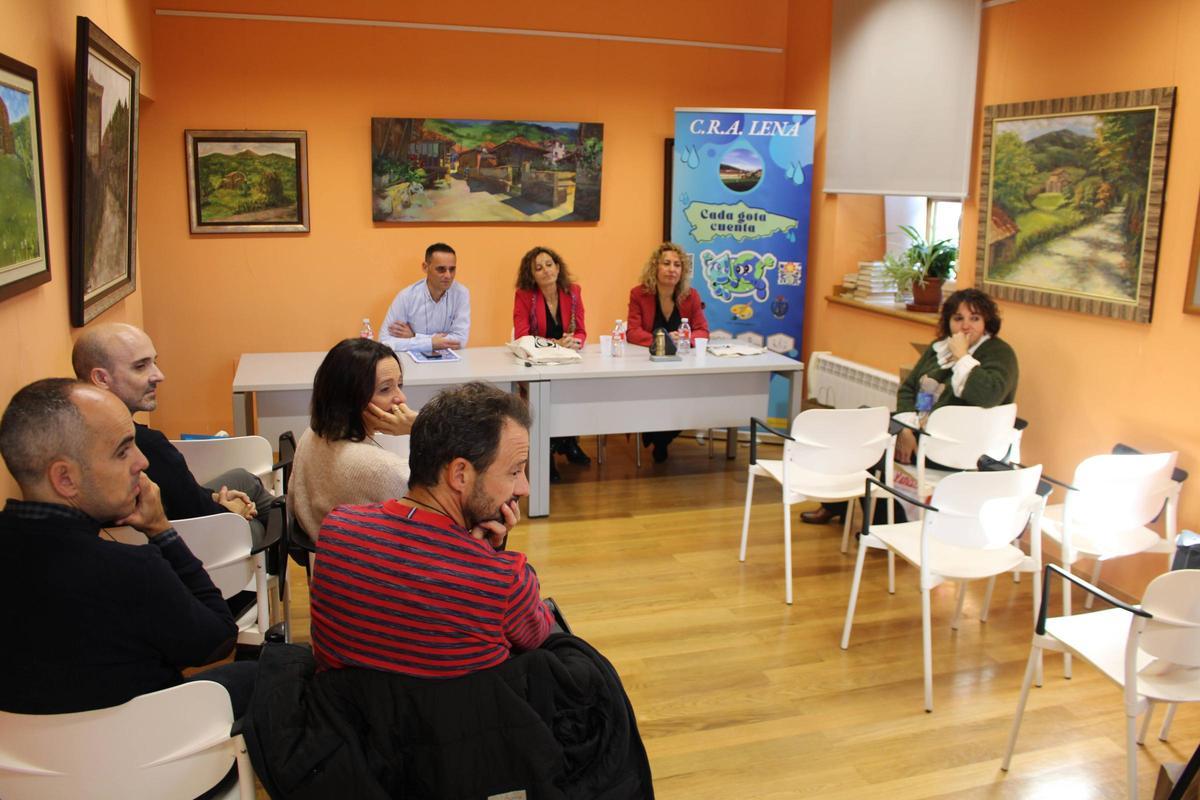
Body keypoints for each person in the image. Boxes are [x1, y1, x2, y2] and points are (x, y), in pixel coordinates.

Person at [0, 379, 254, 716]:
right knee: (280, 666)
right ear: (65, 479)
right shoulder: (130, 571)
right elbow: (219, 640)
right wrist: (162, 531)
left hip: (24, 760)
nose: (142, 462)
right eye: (123, 451)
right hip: (146, 755)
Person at [309, 381, 553, 678]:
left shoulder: (336, 531)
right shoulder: (503, 581)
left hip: (346, 718)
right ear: (460, 474)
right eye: (515, 471)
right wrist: (489, 556)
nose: (524, 488)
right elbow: (538, 632)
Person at [802, 287, 1019, 525]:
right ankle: (838, 506)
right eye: (958, 319)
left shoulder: (999, 353)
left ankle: (884, 526)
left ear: (987, 322)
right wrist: (904, 428)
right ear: (948, 322)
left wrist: (962, 358)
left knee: (870, 443)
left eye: (974, 319)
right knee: (858, 423)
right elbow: (908, 388)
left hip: (956, 445)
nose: (966, 326)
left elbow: (988, 395)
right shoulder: (940, 348)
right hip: (920, 429)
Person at [72, 323, 277, 540]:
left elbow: (186, 497)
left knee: (243, 479)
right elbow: (198, 514)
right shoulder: (145, 446)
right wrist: (232, 510)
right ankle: (304, 546)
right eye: (141, 366)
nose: (159, 375)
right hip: (184, 545)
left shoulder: (70, 430)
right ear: (102, 378)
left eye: (154, 362)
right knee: (258, 527)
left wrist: (216, 497)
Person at [288, 338, 418, 544]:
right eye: (385, 389)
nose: (401, 398)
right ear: (350, 399)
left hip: (324, 554)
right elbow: (442, 507)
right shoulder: (381, 468)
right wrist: (419, 428)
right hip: (371, 568)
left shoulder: (313, 432)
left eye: (399, 385)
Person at [627, 242, 710, 463]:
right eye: (666, 264)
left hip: (682, 367)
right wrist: (661, 339)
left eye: (677, 265)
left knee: (689, 402)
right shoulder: (639, 294)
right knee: (655, 398)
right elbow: (632, 332)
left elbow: (702, 330)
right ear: (655, 267)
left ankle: (660, 437)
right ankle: (657, 435)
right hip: (648, 365)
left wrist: (685, 339)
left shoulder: (690, 296)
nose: (672, 269)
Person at [512, 245, 590, 477]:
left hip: (567, 363)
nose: (546, 270)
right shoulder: (525, 296)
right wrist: (556, 343)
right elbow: (522, 336)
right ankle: (547, 453)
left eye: (549, 264)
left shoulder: (573, 291)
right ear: (532, 275)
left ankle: (567, 442)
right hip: (537, 365)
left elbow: (582, 332)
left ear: (557, 267)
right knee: (544, 398)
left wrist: (575, 341)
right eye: (539, 268)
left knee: (573, 394)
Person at [380, 242, 471, 352]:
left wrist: (414, 336)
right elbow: (384, 342)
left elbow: (460, 341)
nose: (448, 275)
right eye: (441, 269)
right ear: (425, 267)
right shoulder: (406, 296)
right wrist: (432, 342)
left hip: (449, 363)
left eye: (452, 269)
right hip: (412, 363)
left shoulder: (461, 294)